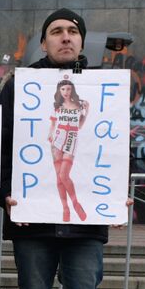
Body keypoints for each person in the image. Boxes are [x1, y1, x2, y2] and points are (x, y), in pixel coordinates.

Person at [0, 8, 114, 289]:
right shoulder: (18, 87)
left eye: (73, 31)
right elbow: (0, 146)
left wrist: (118, 194)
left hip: (85, 226)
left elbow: (114, 149)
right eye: (56, 32)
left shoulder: (102, 88)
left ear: (82, 41)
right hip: (32, 219)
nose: (65, 37)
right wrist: (5, 194)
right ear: (43, 43)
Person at [48, 78, 90, 221]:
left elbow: (79, 126)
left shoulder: (79, 105)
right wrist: (50, 135)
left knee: (64, 176)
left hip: (72, 138)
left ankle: (75, 203)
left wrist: (87, 110)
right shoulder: (57, 106)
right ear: (59, 91)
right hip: (57, 139)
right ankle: (65, 209)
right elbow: (53, 124)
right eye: (63, 89)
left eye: (68, 89)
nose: (66, 92)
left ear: (72, 90)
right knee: (59, 178)